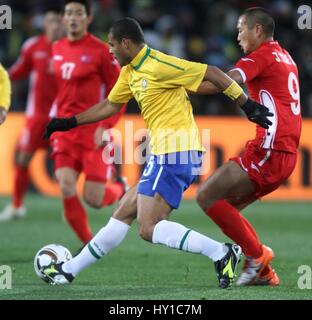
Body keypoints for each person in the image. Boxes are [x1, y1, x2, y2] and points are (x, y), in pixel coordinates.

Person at [41, 17, 272, 288]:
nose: (110, 51)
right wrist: (69, 122)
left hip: (175, 151)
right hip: (164, 154)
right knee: (122, 213)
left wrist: (246, 104)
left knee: (148, 227)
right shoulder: (130, 72)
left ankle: (220, 252)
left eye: (112, 45)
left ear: (126, 43)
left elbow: (212, 72)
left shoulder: (160, 64)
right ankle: (67, 271)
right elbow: (109, 106)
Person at [196, 7, 302, 286]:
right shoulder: (285, 56)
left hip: (270, 150)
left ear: (258, 30)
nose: (238, 35)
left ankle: (258, 256)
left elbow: (230, 81)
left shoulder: (262, 56)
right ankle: (264, 272)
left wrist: (183, 84)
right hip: (282, 151)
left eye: (242, 29)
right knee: (225, 207)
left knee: (207, 196)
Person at [48, 0, 127, 245]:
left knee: (93, 199)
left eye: (78, 13)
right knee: (65, 185)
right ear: (63, 18)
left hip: (93, 130)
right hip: (65, 129)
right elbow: (61, 90)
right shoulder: (57, 48)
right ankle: (88, 244)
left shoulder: (101, 51)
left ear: (88, 18)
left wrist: (106, 125)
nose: (73, 17)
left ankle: (120, 189)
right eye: (68, 12)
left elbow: (120, 92)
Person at [0, 10, 63, 221]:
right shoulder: (33, 46)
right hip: (36, 116)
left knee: (65, 164)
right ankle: (17, 205)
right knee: (23, 159)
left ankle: (69, 207)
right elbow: (17, 72)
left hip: (62, 118)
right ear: (45, 24)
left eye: (57, 21)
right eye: (50, 21)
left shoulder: (70, 48)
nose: (54, 25)